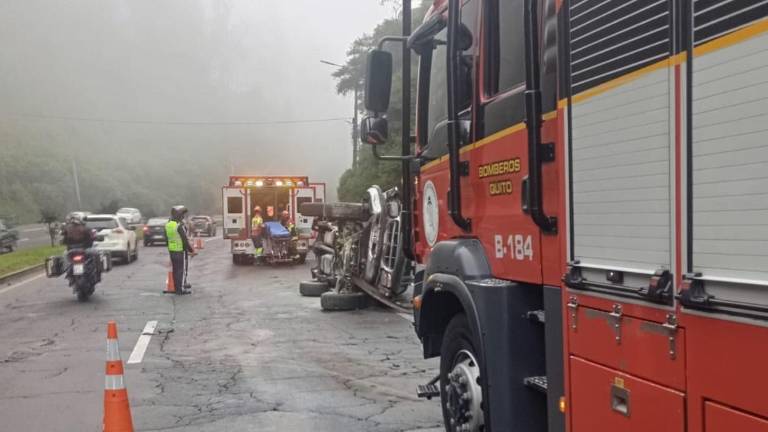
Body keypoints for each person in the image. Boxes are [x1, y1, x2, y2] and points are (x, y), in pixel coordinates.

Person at [165, 205, 196, 295]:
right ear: (179, 215)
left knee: (175, 270)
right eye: (182, 215)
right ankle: (180, 289)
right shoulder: (179, 226)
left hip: (172, 251)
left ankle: (177, 288)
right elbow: (184, 240)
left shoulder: (168, 225)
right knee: (180, 271)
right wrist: (191, 250)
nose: (183, 216)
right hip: (180, 250)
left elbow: (167, 239)